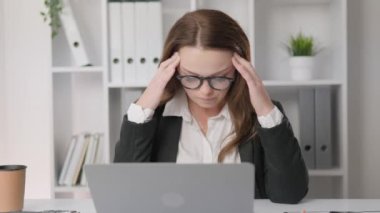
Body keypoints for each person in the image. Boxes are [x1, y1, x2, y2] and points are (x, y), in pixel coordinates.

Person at [114, 9, 308, 204]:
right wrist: (148, 97)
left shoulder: (264, 116)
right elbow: (125, 194)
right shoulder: (153, 118)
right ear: (172, 69)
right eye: (191, 77)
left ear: (239, 69)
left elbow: (289, 194)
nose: (205, 91)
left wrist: (265, 109)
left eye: (220, 77)